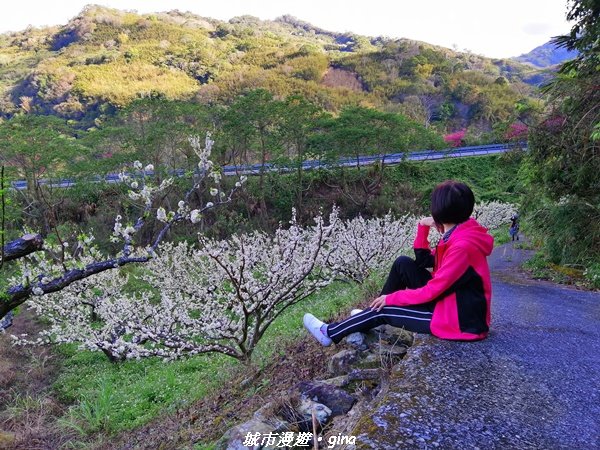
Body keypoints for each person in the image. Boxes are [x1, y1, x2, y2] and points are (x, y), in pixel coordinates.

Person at [303, 180, 494, 346]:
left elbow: (432, 291)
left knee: (384, 310)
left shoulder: (462, 246)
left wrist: (391, 299)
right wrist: (422, 227)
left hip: (459, 323)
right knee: (403, 263)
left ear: (439, 210)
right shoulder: (461, 233)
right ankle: (368, 314)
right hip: (450, 305)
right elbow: (424, 260)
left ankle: (329, 333)